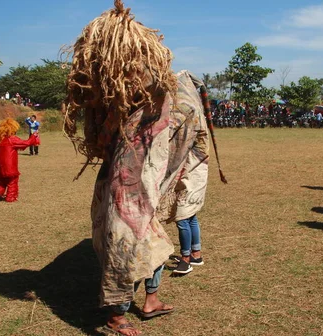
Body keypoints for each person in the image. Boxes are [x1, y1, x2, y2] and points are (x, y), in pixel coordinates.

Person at [63, 2, 224, 334]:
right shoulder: (124, 111)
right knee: (125, 248)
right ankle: (115, 319)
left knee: (155, 246)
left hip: (144, 188)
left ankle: (150, 302)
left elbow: (177, 115)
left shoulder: (157, 102)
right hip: (125, 193)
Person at [0, 118, 38, 202]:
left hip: (0, 166)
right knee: (12, 181)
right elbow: (26, 143)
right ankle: (10, 197)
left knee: (2, 181)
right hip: (10, 166)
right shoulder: (12, 139)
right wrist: (34, 136)